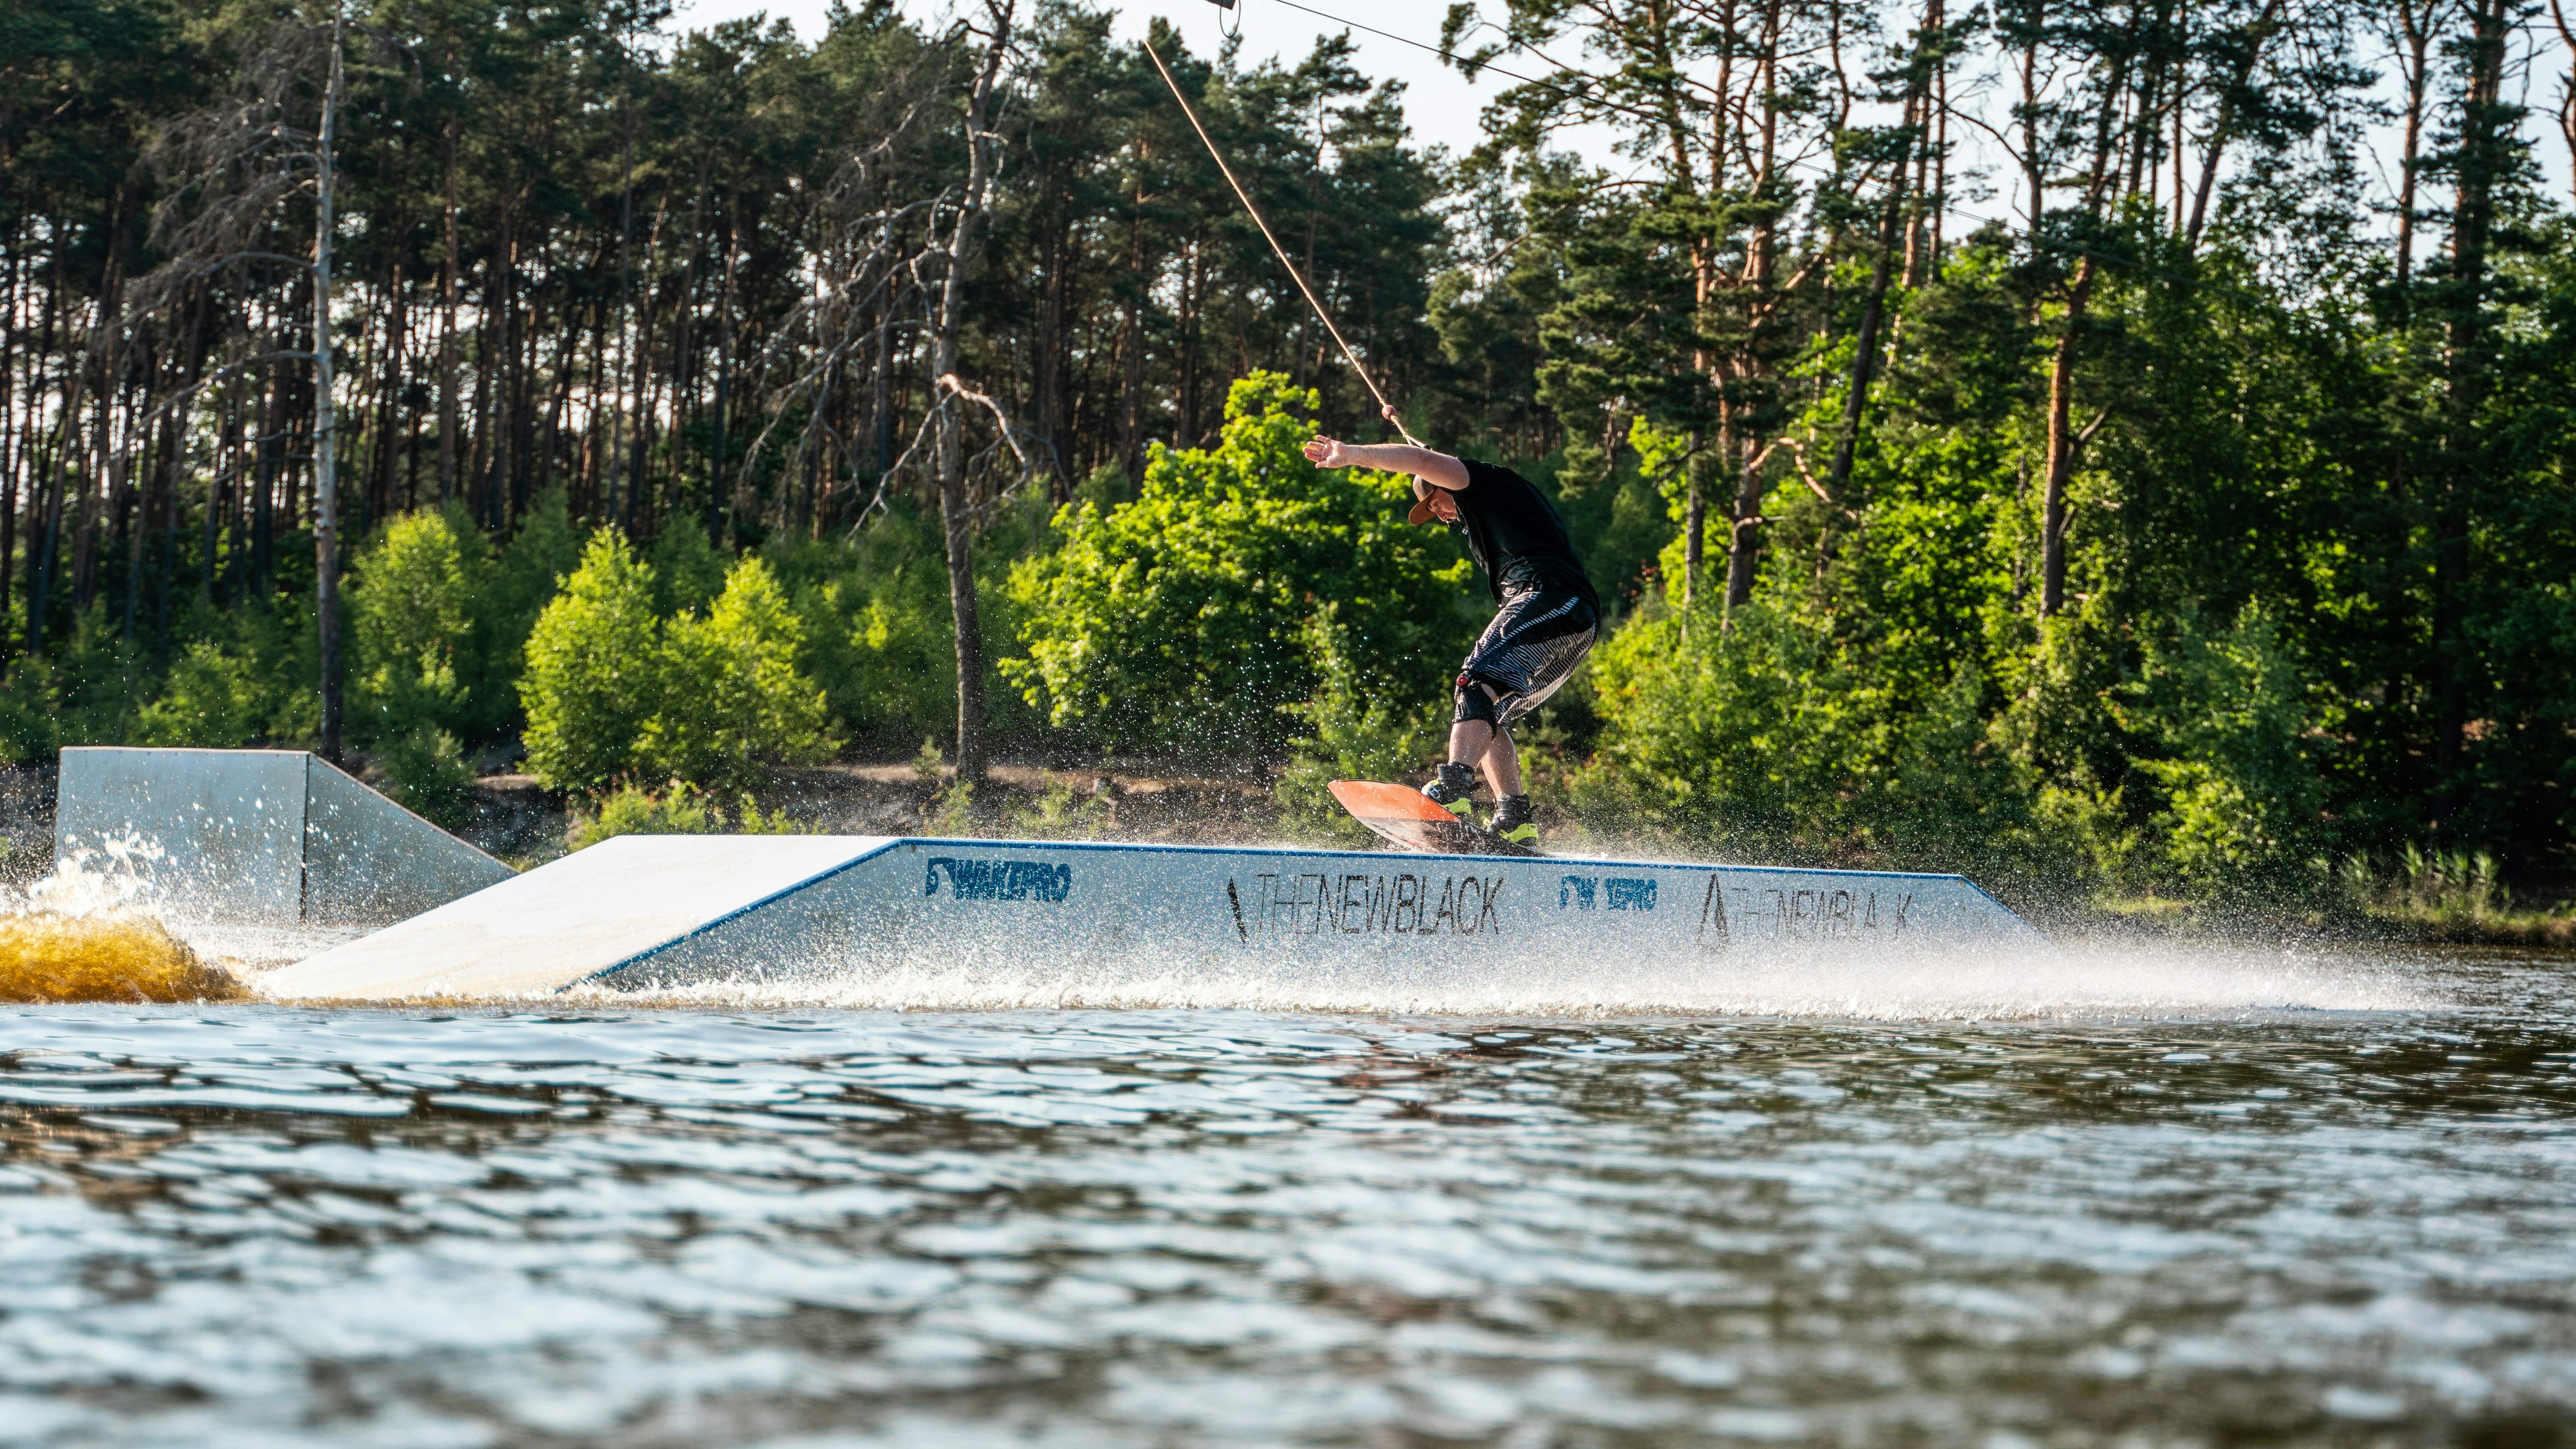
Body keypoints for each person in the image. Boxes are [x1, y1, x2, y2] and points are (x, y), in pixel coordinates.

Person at [1302, 412, 1599, 846]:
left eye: (1435, 504)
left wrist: (1353, 455)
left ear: (1445, 486)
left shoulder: (1481, 483)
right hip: (1572, 619)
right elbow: (1427, 462)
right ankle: (1516, 820)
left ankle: (1453, 790)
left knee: (1474, 684)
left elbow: (1418, 461)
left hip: (1552, 597)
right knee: (1488, 711)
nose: (1440, 516)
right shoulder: (1493, 502)